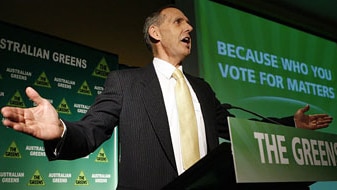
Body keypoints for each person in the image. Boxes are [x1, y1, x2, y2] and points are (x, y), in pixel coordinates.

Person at [1, 5, 333, 190]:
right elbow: (90, 132)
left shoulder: (202, 88)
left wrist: (290, 125)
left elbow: (235, 130)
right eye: (179, 21)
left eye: (189, 22)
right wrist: (59, 129)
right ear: (155, 33)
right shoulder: (125, 83)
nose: (190, 26)